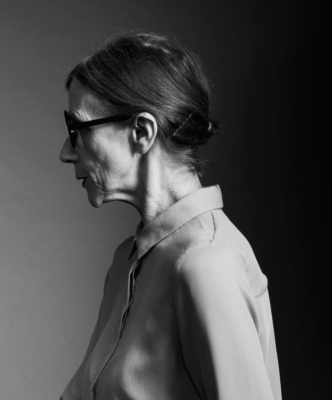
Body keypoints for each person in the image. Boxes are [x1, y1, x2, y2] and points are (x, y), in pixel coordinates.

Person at [58, 32, 280, 400]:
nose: (66, 152)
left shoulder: (207, 263)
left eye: (76, 129)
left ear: (141, 132)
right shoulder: (126, 262)